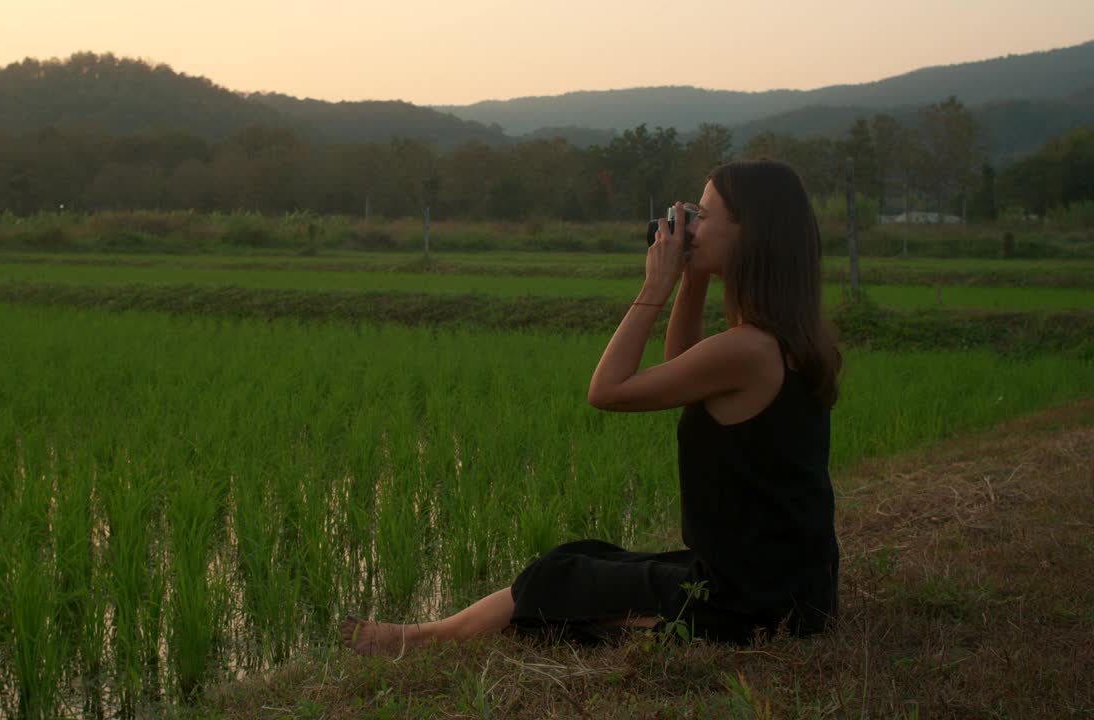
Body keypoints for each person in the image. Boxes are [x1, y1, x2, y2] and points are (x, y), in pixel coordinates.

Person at [341, 158, 842, 657]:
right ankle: (419, 634)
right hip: (788, 586)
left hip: (749, 604)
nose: (689, 227)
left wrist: (655, 287)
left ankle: (416, 640)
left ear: (749, 235)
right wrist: (693, 280)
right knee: (589, 557)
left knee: (560, 575)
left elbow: (607, 391)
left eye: (703, 217)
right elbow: (684, 371)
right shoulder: (787, 339)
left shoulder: (746, 349)